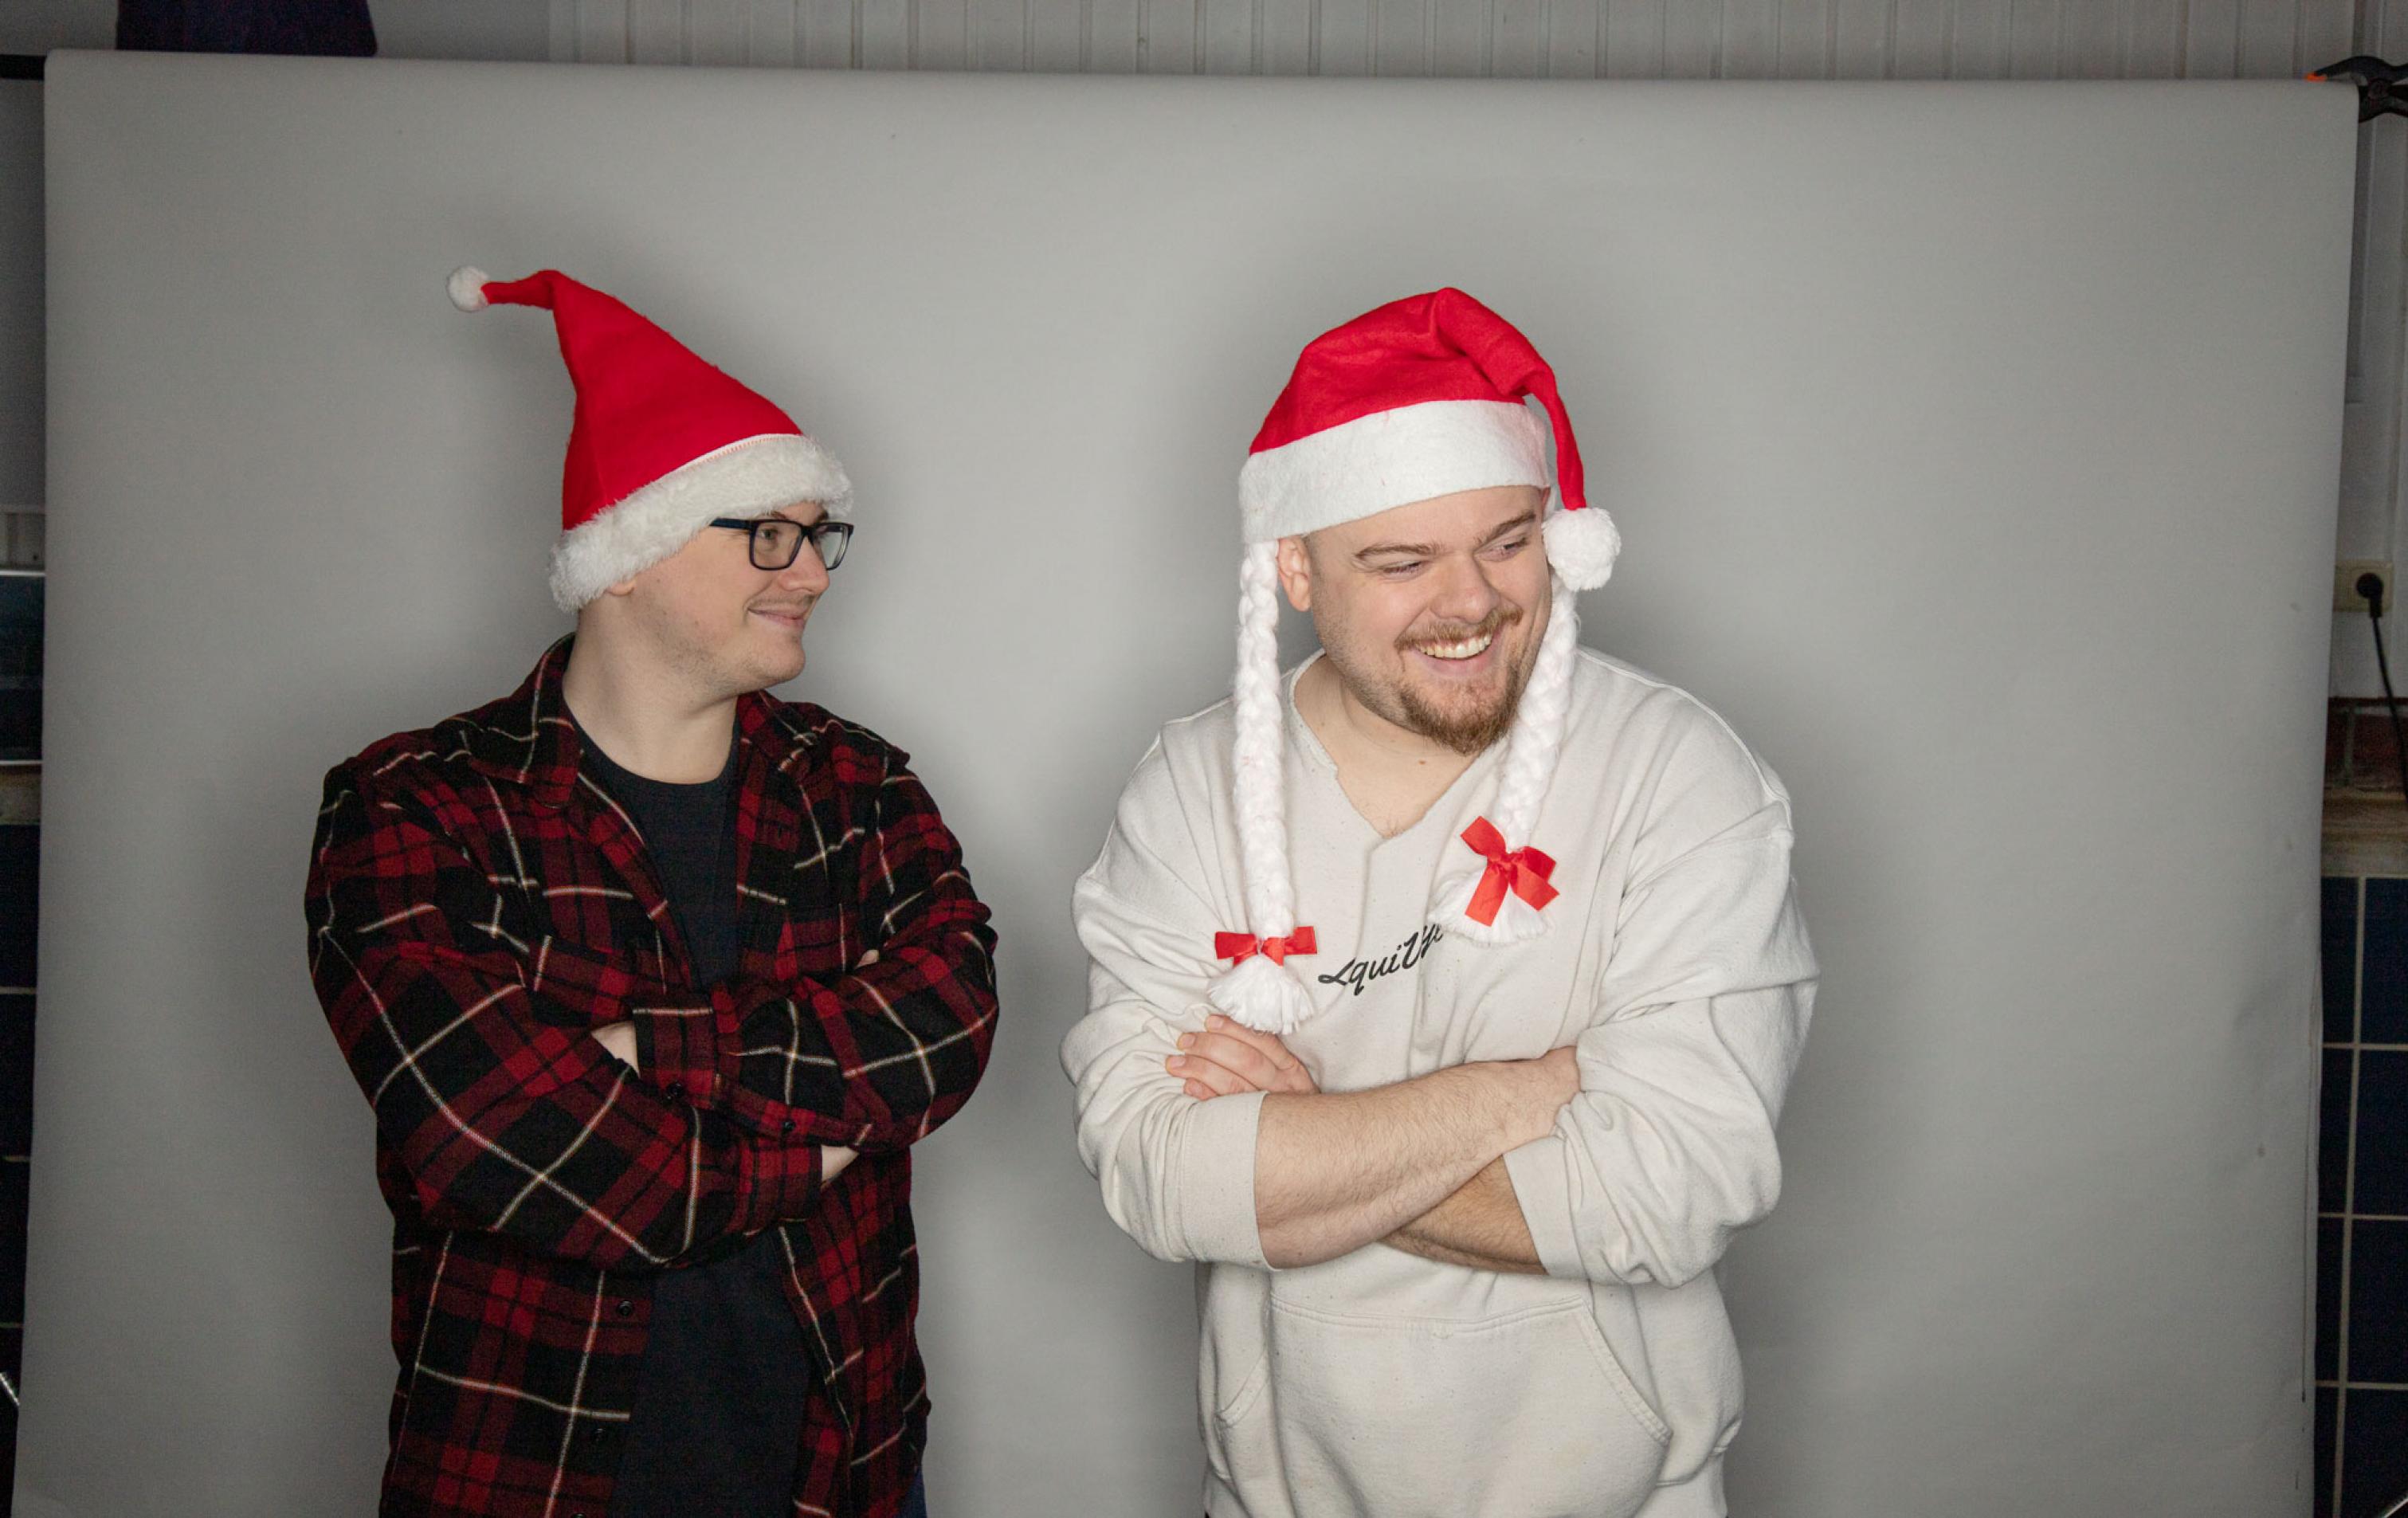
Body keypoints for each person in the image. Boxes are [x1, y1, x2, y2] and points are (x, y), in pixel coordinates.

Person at [1063, 288, 1817, 1517]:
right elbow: (1161, 1174)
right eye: (1402, 561)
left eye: (1507, 541)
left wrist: (1305, 1143)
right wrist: (1527, 1091)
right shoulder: (1186, 791)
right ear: (1295, 569)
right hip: (1282, 1496)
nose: (1469, 602)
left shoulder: (1680, 775)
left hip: (1626, 1493)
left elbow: (1669, 1190)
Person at [306, 267, 996, 1518]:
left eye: (817, 534)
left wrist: (652, 1049)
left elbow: (948, 1024)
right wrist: (840, 1131)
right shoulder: (416, 806)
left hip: (841, 1462)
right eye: (766, 535)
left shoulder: (855, 784)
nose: (812, 573)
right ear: (625, 556)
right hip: (529, 1475)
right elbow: (505, 1149)